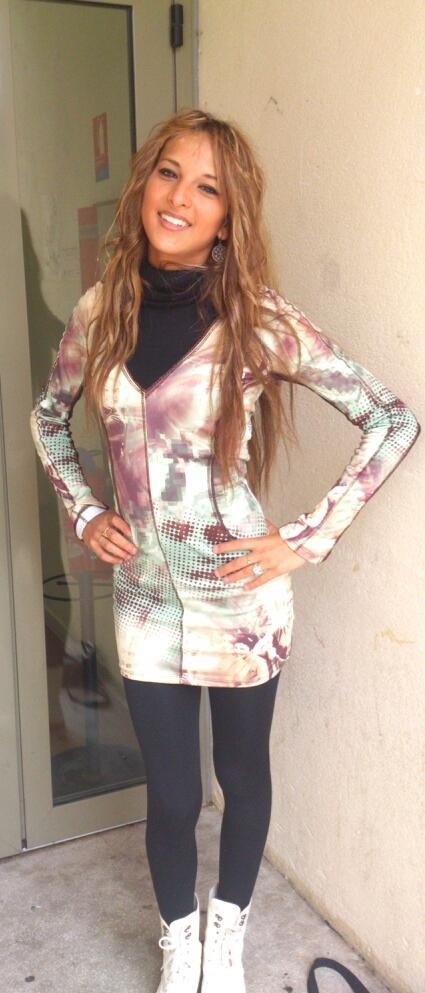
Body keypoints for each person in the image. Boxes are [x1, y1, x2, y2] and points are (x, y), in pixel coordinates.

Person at [30, 108, 420, 993]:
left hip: (242, 602)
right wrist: (85, 512)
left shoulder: (256, 320)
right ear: (145, 184)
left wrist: (303, 539)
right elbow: (48, 417)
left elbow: (389, 418)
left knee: (240, 778)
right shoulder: (100, 313)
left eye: (207, 188)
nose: (180, 197)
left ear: (228, 217)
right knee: (171, 795)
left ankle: (228, 935)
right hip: (144, 599)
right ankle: (180, 943)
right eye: (169, 173)